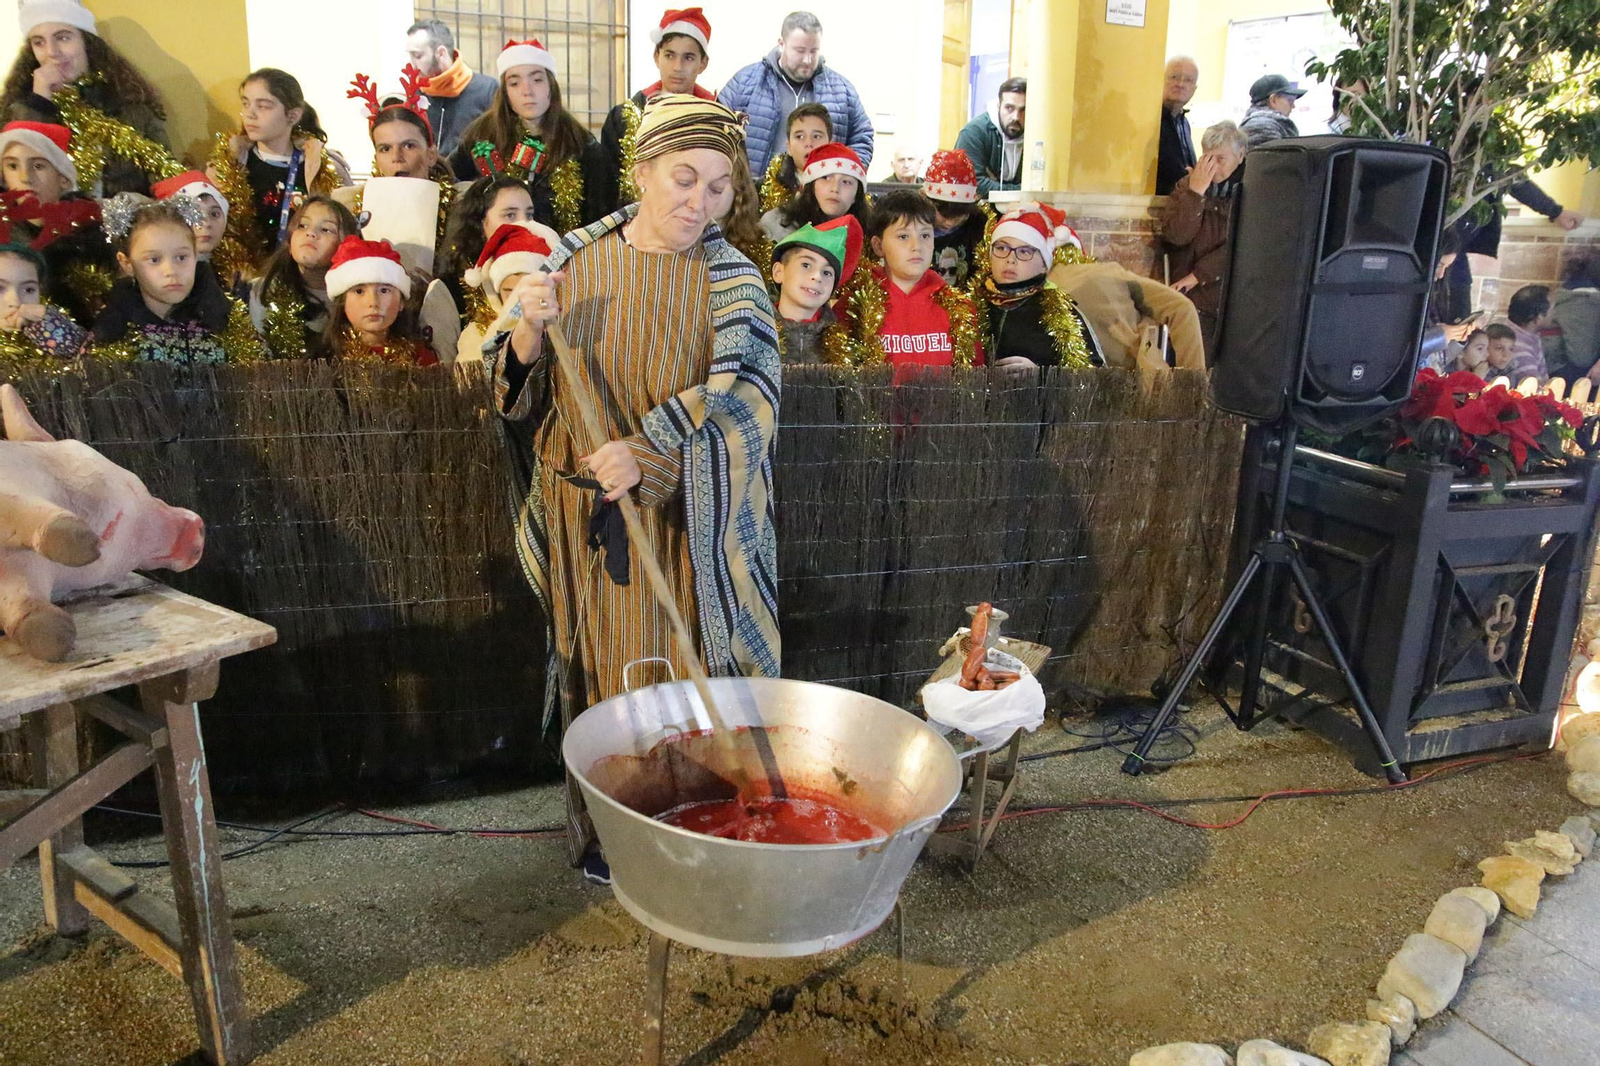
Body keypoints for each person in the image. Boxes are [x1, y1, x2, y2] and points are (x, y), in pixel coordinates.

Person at [488, 94, 780, 869]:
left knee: (677, 682)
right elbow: (514, 392)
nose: (700, 201)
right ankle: (611, 834)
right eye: (684, 178)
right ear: (643, 171)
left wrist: (649, 457)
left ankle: (690, 829)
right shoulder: (571, 267)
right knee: (604, 677)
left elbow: (751, 414)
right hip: (587, 526)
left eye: (719, 186)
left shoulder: (736, 285)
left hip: (682, 528)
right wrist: (525, 330)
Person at [2, 0, 172, 197]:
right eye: (39, 42)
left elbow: (166, 181)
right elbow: (18, 185)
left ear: (87, 43)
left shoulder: (130, 105)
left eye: (63, 38)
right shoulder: (17, 110)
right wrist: (39, 103)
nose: (51, 52)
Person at [448, 39, 610, 235]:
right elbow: (450, 180)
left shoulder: (581, 144)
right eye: (515, 83)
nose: (527, 91)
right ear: (505, 92)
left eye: (537, 80)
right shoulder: (482, 136)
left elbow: (600, 216)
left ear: (551, 85)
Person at [94, 196, 262, 364]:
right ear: (127, 263)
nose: (171, 271)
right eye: (154, 260)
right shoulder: (112, 334)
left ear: (195, 255)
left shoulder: (226, 324)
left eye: (181, 257)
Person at [207, 68, 351, 262]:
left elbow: (347, 231)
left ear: (292, 115)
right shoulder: (228, 164)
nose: (250, 114)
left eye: (264, 106)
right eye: (246, 103)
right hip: (245, 279)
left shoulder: (324, 166)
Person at [833, 188, 983, 369]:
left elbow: (973, 378)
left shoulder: (959, 307)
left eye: (925, 235)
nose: (917, 246)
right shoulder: (854, 305)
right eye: (903, 236)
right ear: (878, 246)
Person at [717, 10, 874, 176]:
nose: (807, 59)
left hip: (820, 197)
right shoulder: (745, 82)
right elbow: (715, 129)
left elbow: (862, 137)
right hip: (754, 194)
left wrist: (845, 177)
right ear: (781, 44)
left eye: (814, 51)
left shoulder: (842, 91)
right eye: (800, 51)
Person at [338, 68, 457, 276]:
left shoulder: (460, 205)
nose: (397, 156)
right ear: (376, 158)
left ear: (431, 155)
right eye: (385, 149)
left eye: (409, 146)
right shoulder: (349, 208)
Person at [599, 7, 715, 212]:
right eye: (670, 55)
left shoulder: (719, 121)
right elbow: (607, 190)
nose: (677, 67)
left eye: (688, 57)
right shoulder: (623, 119)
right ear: (656, 57)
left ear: (703, 63)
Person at [1161, 120, 1247, 362]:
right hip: (1191, 300)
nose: (1213, 168)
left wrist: (1199, 275)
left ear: (1240, 156)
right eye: (1207, 158)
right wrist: (1195, 194)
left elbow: (1242, 245)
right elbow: (1176, 236)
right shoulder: (1189, 185)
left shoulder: (1252, 191)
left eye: (1221, 159)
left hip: (1226, 297)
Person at [978, 203, 1098, 372]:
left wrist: (1040, 376)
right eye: (1001, 248)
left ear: (1044, 264)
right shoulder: (969, 305)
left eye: (1024, 252)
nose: (1010, 259)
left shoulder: (1061, 312)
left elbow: (1094, 376)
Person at [248, 194, 360, 359]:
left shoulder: (358, 297)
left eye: (325, 229)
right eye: (302, 225)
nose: (311, 233)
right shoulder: (265, 291)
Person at [1049, 255, 1207, 371]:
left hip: (1076, 398)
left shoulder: (1041, 290)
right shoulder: (1103, 272)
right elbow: (1182, 308)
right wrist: (1192, 392)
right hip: (1143, 384)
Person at [321, 236, 438, 366]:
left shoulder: (419, 358)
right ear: (342, 301)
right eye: (359, 291)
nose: (373, 302)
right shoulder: (324, 361)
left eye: (384, 291)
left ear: (401, 302)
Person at [456, 220, 559, 366]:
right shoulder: (475, 333)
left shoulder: (560, 328)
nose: (518, 301)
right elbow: (468, 381)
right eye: (509, 292)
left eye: (527, 290)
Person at [770, 214, 861, 362]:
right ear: (779, 272)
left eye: (827, 273)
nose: (817, 277)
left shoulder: (841, 345)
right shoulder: (754, 330)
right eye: (806, 265)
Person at [406, 18, 497, 157]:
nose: (412, 64)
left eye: (417, 56)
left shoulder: (487, 90)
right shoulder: (415, 94)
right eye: (410, 56)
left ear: (441, 53)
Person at [0, 236, 89, 375]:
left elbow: (92, 368)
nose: (16, 301)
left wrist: (51, 327)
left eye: (29, 290)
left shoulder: (44, 330)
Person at [759, 141, 869, 241]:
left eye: (846, 182)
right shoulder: (777, 224)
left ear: (856, 195)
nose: (835, 189)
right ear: (811, 186)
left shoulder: (869, 237)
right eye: (826, 178)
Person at [150, 170, 237, 293]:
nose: (206, 223)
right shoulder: (166, 281)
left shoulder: (228, 275)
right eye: (194, 214)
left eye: (214, 214)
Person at [923, 149, 990, 290]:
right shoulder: (912, 225)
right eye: (943, 214)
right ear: (924, 198)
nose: (949, 223)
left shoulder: (980, 226)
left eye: (959, 217)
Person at [955, 77, 1025, 199]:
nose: (1016, 117)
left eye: (1023, 110)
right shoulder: (974, 133)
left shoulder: (1037, 135)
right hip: (976, 214)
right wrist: (1021, 191)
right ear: (998, 105)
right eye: (1009, 108)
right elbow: (972, 183)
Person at [758, 103, 831, 214]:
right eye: (799, 137)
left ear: (830, 144)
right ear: (789, 147)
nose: (809, 143)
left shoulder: (842, 187)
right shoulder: (762, 188)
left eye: (816, 136)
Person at [1546, 253, 1600, 384]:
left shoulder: (1561, 299)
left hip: (1549, 367)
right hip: (1566, 375)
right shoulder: (1584, 305)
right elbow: (1582, 357)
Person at [1156, 57, 1198, 195]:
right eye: (1174, 77)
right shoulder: (1152, 119)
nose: (1180, 84)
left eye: (1188, 80)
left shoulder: (1184, 123)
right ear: (1161, 80)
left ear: (1194, 89)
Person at [1499, 285, 1551, 383]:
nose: (1555, 313)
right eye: (1552, 309)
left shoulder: (1522, 331)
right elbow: (1536, 392)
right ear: (1539, 318)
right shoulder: (1519, 350)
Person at [1240, 75, 1305, 150]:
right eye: (1290, 100)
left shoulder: (1257, 123)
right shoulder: (1263, 127)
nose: (1293, 106)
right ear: (1273, 100)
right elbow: (1281, 160)